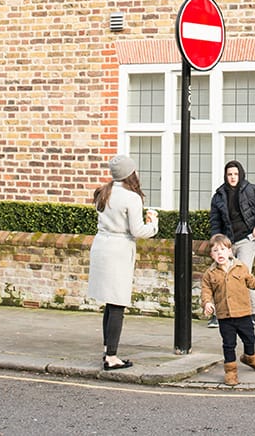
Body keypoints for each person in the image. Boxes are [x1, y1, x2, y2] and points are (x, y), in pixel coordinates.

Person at [87, 154, 158, 370]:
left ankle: (108, 349)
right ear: (131, 173)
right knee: (117, 303)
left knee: (109, 303)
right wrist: (153, 224)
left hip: (101, 246)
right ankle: (112, 357)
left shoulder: (104, 192)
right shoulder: (131, 198)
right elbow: (137, 231)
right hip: (118, 250)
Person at [201, 233, 255, 385]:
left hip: (243, 313)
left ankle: (250, 357)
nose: (220, 253)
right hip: (225, 316)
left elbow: (252, 282)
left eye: (223, 249)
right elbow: (206, 291)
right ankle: (231, 372)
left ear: (230, 251)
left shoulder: (240, 267)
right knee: (229, 344)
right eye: (216, 251)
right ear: (212, 255)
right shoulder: (209, 274)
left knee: (250, 338)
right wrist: (207, 303)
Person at [209, 160, 255, 328]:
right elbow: (215, 222)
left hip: (247, 239)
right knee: (220, 275)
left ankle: (253, 313)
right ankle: (217, 315)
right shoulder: (218, 196)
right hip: (227, 243)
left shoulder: (250, 189)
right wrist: (217, 244)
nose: (233, 177)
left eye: (235, 174)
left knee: (243, 274)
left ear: (241, 174)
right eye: (230, 174)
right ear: (226, 176)